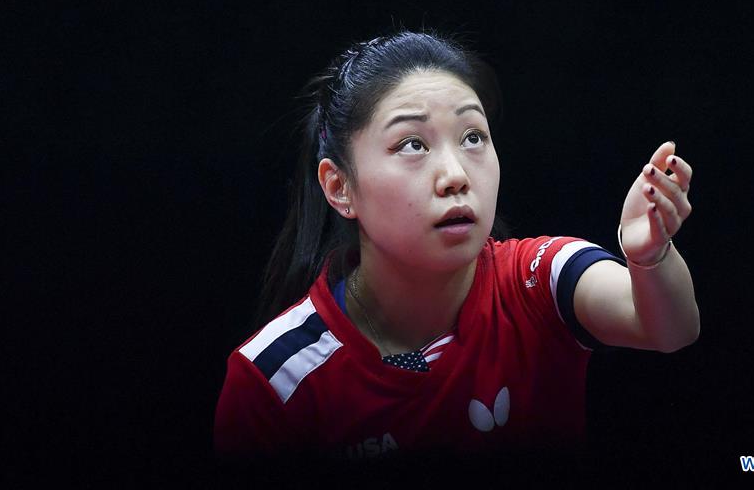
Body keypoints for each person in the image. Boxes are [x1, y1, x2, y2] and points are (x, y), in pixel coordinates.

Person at [213, 30, 699, 464]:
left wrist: (648, 255)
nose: (455, 176)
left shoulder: (539, 281)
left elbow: (669, 329)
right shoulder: (274, 381)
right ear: (340, 187)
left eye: (473, 137)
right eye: (412, 145)